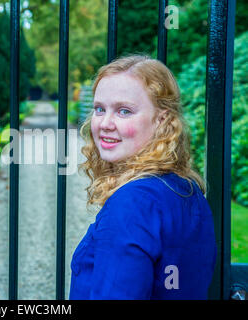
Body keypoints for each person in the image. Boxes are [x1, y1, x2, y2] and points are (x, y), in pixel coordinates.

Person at [69, 55, 217, 300]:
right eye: (99, 109)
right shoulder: (188, 190)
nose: (105, 123)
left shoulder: (132, 203)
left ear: (162, 119)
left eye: (124, 111)